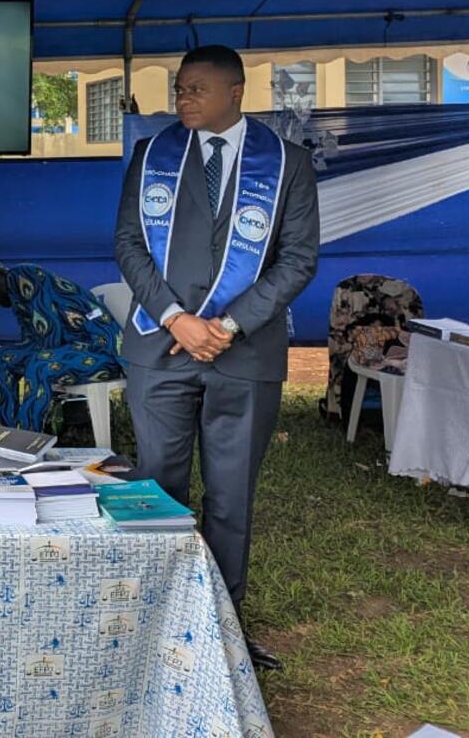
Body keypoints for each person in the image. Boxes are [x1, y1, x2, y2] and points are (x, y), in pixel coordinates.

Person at [114, 44, 319, 672]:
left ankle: (223, 632)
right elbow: (128, 244)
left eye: (196, 88)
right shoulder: (153, 154)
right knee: (157, 488)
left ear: (236, 91)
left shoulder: (286, 164)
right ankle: (152, 627)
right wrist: (176, 317)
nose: (182, 98)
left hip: (244, 353)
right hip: (161, 347)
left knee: (231, 499)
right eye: (179, 88)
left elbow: (298, 259)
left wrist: (227, 326)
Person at [0, 264, 124, 433]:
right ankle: (4, 433)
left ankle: (28, 437)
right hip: (68, 349)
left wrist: (33, 357)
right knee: (1, 358)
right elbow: (33, 339)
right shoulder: (17, 294)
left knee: (39, 365)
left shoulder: (23, 276)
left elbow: (49, 332)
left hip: (101, 353)